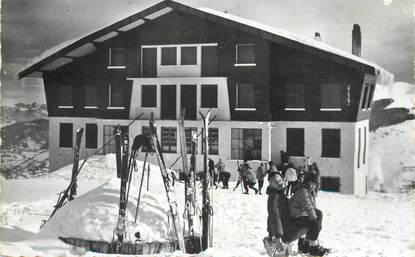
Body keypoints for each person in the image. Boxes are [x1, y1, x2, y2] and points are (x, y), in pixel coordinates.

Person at [288, 172, 329, 256]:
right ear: (307, 182)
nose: (313, 186)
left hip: (301, 213)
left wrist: (316, 217)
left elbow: (312, 207)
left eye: (315, 185)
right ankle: (312, 247)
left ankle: (308, 242)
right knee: (315, 225)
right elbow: (308, 206)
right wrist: (314, 220)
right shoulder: (303, 190)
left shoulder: (307, 189)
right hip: (296, 215)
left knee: (319, 213)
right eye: (312, 184)